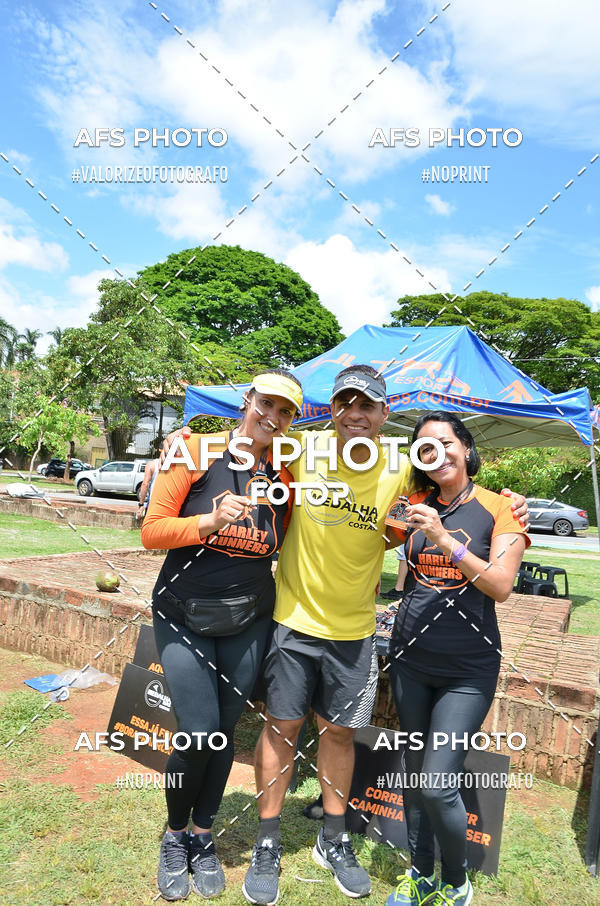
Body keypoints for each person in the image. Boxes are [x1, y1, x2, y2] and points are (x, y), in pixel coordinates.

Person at [161, 364, 528, 904]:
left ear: (385, 414)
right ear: (331, 410)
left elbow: (462, 491)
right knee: (281, 728)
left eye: (368, 405)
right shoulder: (298, 453)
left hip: (354, 632)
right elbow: (242, 442)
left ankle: (333, 839)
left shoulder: (404, 468)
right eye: (345, 404)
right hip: (291, 621)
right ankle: (266, 841)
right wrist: (181, 439)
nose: (355, 414)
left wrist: (509, 501)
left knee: (336, 735)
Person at [141, 369, 303, 902]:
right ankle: (174, 834)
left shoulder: (287, 472)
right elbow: (152, 530)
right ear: (247, 401)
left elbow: (356, 498)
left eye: (285, 412)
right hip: (184, 614)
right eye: (267, 404)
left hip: (250, 619)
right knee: (198, 733)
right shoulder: (193, 449)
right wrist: (208, 522)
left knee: (225, 731)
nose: (272, 417)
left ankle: (204, 835)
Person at [385, 412, 529, 906]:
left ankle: (457, 880)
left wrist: (447, 540)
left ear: (466, 449)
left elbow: (501, 586)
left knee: (437, 782)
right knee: (413, 772)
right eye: (426, 445)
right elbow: (359, 531)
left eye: (447, 442)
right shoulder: (414, 504)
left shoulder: (500, 509)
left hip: (467, 669)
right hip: (409, 659)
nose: (438, 452)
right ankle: (420, 873)